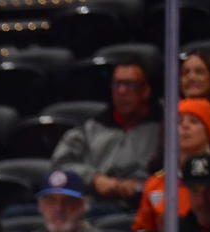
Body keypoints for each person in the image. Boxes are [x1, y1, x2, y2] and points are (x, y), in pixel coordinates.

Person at [133, 98, 210, 232]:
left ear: (209, 130)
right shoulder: (156, 183)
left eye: (194, 121)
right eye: (179, 122)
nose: (185, 126)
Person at [49, 62, 162, 214]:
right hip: (93, 204)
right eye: (117, 84)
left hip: (144, 206)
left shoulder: (164, 128)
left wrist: (140, 186)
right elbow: (59, 164)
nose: (122, 91)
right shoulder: (91, 128)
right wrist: (94, 179)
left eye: (130, 84)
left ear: (146, 91)